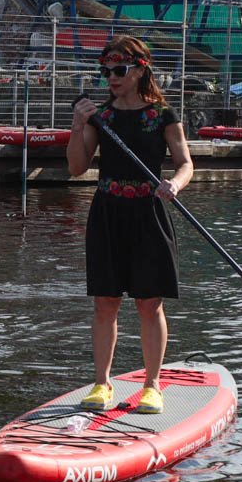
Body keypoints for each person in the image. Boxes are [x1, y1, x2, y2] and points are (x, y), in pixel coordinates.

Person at [67, 34, 194, 415]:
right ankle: (102, 383)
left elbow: (185, 163)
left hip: (148, 210)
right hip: (108, 211)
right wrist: (77, 125)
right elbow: (76, 168)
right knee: (105, 302)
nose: (111, 77)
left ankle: (152, 386)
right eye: (105, 71)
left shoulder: (163, 116)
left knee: (148, 302)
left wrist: (174, 184)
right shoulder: (100, 118)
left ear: (140, 70)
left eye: (119, 70)